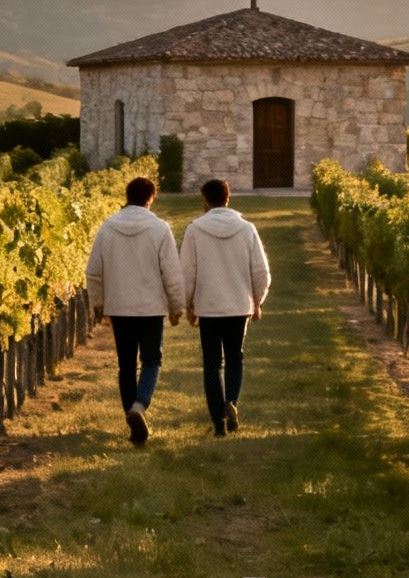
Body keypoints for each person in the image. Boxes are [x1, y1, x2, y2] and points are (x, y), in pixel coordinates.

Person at [84, 176, 183, 446]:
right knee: (151, 361)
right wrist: (176, 307)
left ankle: (132, 419)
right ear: (151, 197)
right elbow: (172, 274)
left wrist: (98, 304)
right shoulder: (160, 229)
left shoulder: (108, 227)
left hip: (120, 306)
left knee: (125, 365)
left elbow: (93, 272)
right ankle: (139, 406)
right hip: (151, 308)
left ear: (127, 196)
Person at [180, 179, 271, 436]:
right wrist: (257, 300)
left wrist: (188, 304)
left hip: (208, 306)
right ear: (228, 198)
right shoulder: (247, 229)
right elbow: (260, 271)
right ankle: (231, 400)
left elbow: (187, 272)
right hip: (238, 304)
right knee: (235, 357)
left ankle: (218, 422)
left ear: (205, 200)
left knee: (212, 364)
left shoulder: (195, 230)